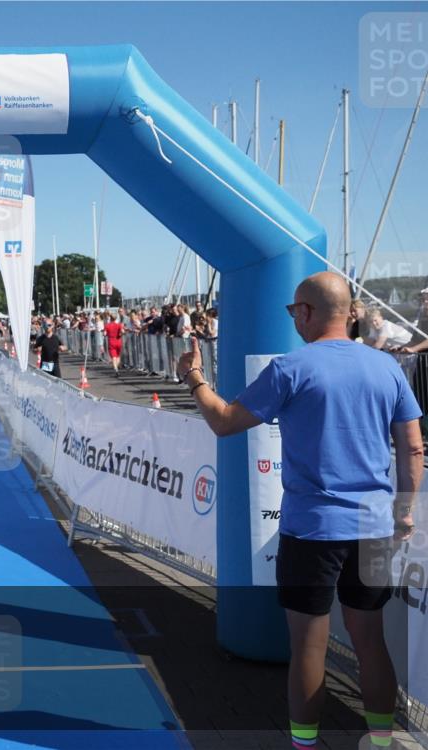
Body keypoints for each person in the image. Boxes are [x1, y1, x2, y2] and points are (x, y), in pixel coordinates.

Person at [176, 271, 421, 750]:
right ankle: (381, 741)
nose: (293, 320)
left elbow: (224, 422)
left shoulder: (291, 368)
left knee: (309, 646)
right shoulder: (387, 367)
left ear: (307, 312)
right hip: (372, 525)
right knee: (370, 640)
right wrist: (405, 512)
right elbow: (412, 448)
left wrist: (194, 378)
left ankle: (305, 744)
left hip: (312, 530)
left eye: (293, 312)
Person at [103, 312, 124, 377]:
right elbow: (122, 331)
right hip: (118, 341)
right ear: (116, 318)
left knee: (113, 357)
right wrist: (120, 334)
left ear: (110, 318)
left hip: (111, 341)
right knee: (118, 356)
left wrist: (105, 334)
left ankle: (116, 369)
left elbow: (104, 334)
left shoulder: (107, 325)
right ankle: (116, 367)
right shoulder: (119, 325)